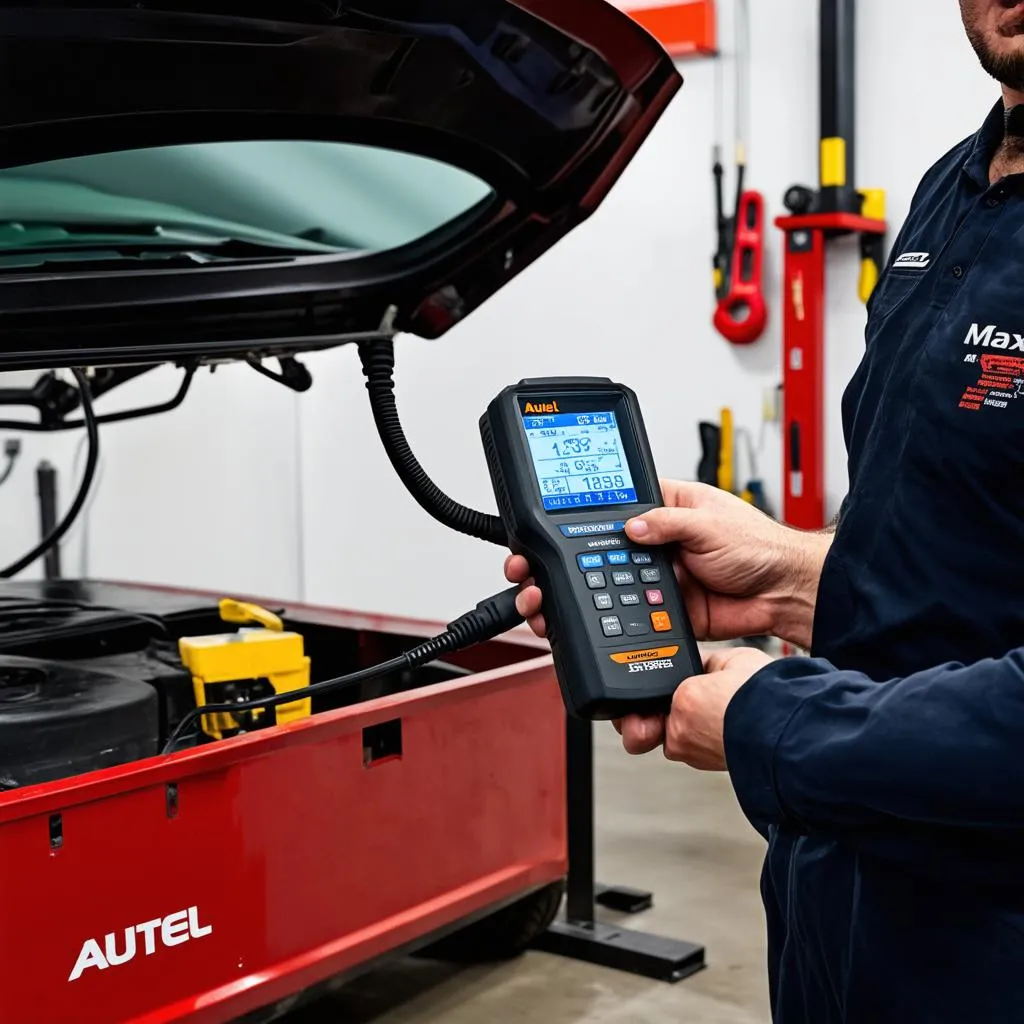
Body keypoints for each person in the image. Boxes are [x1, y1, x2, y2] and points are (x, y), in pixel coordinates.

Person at [505, 2, 1024, 1020]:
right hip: (845, 890)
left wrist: (771, 722)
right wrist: (793, 578)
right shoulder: (948, 194)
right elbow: (974, 554)